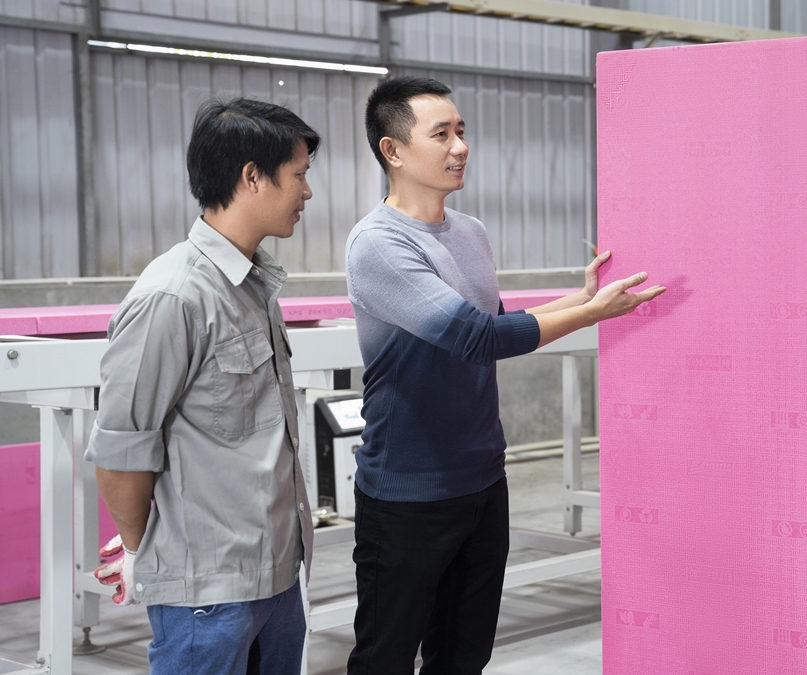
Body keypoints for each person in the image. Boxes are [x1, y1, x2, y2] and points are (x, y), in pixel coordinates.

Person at [344, 76, 664, 674]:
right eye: (442, 134)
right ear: (393, 150)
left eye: (462, 131)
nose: (460, 146)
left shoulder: (471, 233)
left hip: (483, 478)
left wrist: (581, 297)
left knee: (464, 655)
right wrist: (593, 314)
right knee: (386, 657)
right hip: (408, 491)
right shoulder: (378, 245)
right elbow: (476, 339)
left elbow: (493, 322)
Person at [86, 98, 319, 675]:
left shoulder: (252, 284)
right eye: (299, 175)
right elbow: (120, 451)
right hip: (207, 597)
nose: (307, 192)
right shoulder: (175, 297)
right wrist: (140, 550)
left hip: (277, 578)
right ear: (252, 177)